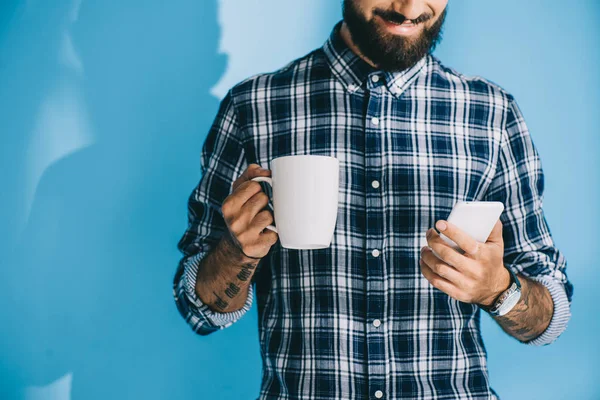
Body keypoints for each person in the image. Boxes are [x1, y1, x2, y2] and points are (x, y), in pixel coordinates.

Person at [173, 1, 574, 398]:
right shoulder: (253, 106)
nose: (410, 7)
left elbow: (551, 319)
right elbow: (199, 309)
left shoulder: (492, 114)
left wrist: (497, 289)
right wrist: (236, 252)